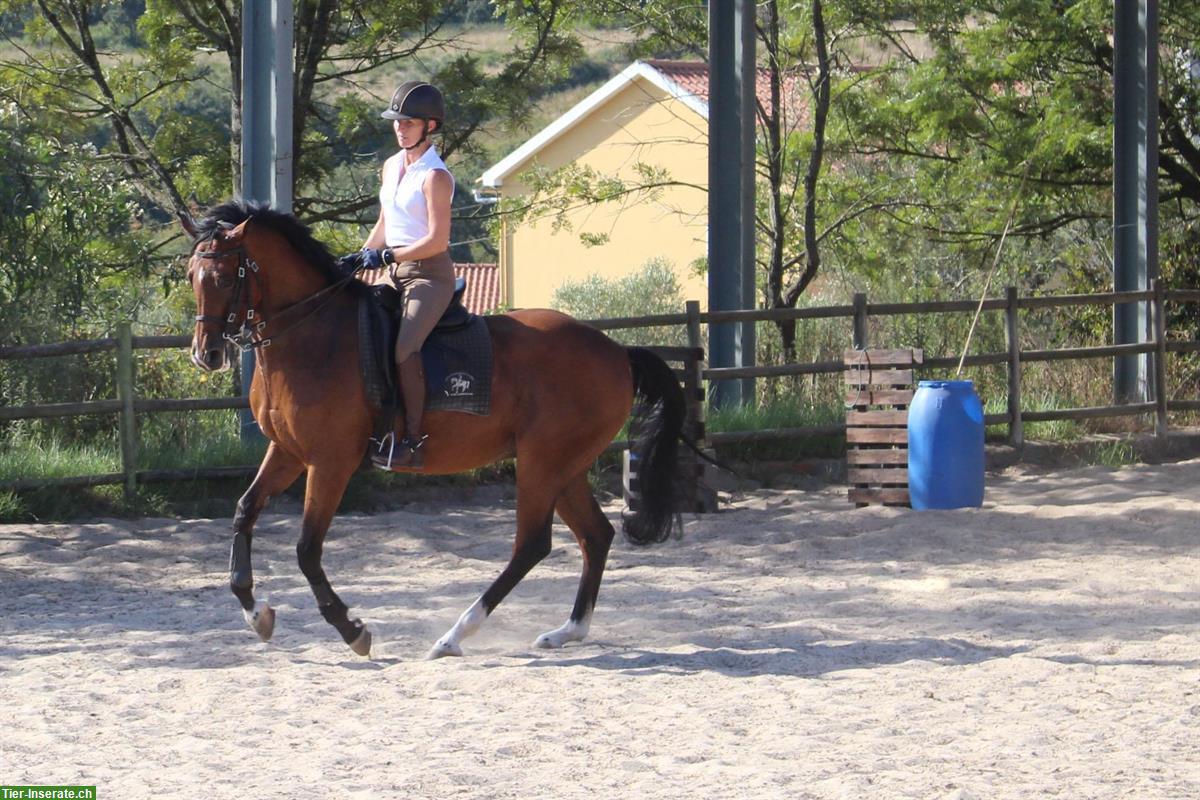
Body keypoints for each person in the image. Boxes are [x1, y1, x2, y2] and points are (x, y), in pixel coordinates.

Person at [352, 81, 456, 470]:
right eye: (397, 122)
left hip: (430, 276)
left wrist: (388, 255)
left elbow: (436, 240)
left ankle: (413, 439)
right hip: (394, 272)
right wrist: (362, 257)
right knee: (361, 332)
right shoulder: (391, 166)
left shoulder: (435, 177)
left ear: (430, 126)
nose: (400, 129)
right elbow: (386, 220)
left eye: (409, 123)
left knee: (403, 347)